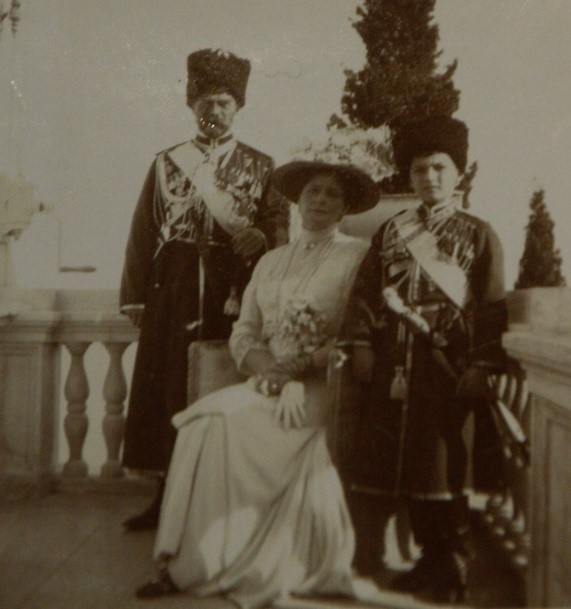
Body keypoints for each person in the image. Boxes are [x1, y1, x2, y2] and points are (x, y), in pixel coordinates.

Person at [134, 159, 379, 607]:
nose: (321, 200)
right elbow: (243, 332)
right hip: (267, 381)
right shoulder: (270, 261)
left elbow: (355, 334)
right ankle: (189, 563)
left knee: (241, 428)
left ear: (345, 208)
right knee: (201, 426)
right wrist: (270, 371)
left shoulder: (358, 256)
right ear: (297, 201)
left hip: (323, 385)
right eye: (312, 191)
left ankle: (259, 564)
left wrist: (299, 368)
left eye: (332, 194)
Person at [340, 116, 508, 603]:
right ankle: (425, 562)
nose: (429, 177)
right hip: (394, 362)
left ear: (459, 173)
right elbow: (365, 293)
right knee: (404, 466)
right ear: (409, 176)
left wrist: (481, 365)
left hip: (446, 365)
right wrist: (362, 344)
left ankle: (452, 568)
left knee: (443, 467)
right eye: (419, 169)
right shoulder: (392, 231)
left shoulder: (479, 234)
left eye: (439, 168)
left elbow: (491, 307)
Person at [120, 48, 289, 531]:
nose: (214, 111)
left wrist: (262, 235)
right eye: (205, 102)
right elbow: (143, 231)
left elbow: (279, 225)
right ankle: (165, 495)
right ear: (191, 105)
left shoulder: (262, 165)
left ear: (238, 107)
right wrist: (135, 296)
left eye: (223, 103)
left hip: (232, 288)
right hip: (171, 288)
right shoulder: (166, 163)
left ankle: (222, 498)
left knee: (224, 388)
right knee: (168, 388)